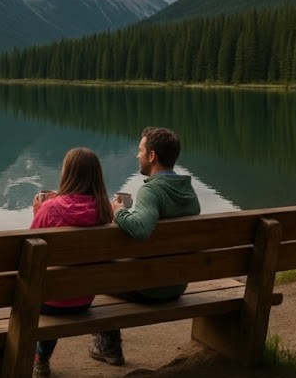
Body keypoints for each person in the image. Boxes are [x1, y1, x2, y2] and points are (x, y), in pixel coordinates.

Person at [88, 126, 201, 366]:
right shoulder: (188, 190)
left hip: (151, 289)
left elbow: (140, 229)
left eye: (140, 150)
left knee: (98, 271)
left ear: (152, 156)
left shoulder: (152, 191)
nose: (136, 156)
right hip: (178, 283)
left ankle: (109, 344)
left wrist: (118, 212)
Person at [30, 147, 114, 378]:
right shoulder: (106, 211)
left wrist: (38, 212)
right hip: (85, 298)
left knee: (51, 288)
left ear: (67, 174)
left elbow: (30, 254)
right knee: (64, 283)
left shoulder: (49, 210)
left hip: (50, 301)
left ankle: (41, 358)